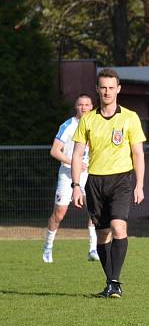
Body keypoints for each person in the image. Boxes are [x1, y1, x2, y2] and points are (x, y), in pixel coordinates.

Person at [71, 68, 146, 298]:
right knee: (102, 235)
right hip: (95, 182)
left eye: (111, 87)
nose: (107, 91)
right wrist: (76, 185)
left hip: (122, 179)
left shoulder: (130, 117)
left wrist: (139, 184)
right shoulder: (88, 119)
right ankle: (111, 283)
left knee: (118, 226)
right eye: (103, 87)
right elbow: (77, 154)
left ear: (118, 89)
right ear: (97, 89)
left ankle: (115, 280)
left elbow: (138, 153)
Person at [42, 94, 99, 263]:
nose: (84, 108)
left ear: (92, 107)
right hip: (68, 174)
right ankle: (48, 247)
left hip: (89, 174)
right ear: (76, 107)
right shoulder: (68, 125)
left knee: (94, 210)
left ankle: (92, 249)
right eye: (81, 105)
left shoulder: (95, 124)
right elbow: (54, 151)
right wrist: (74, 162)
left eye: (87, 105)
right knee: (59, 214)